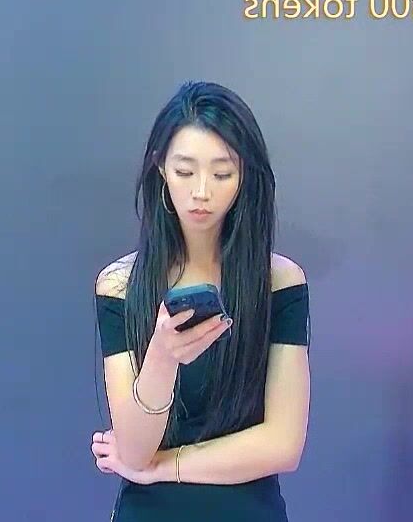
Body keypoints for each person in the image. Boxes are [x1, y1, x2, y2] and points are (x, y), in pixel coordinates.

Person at [88, 81, 310, 521]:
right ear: (161, 169)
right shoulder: (120, 286)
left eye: (222, 174)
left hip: (248, 510)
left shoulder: (278, 282)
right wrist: (162, 358)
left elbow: (283, 445)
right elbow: (134, 450)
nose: (202, 191)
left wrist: (165, 467)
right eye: (185, 172)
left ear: (245, 176)